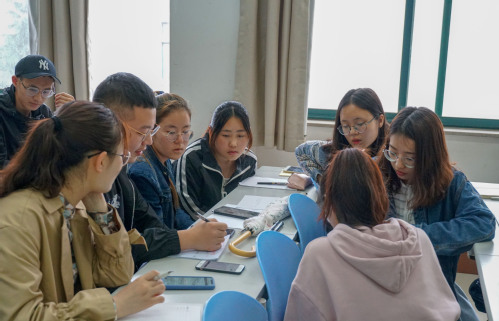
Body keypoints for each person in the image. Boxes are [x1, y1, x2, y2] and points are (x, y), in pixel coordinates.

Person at [0, 101, 165, 320]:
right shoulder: (18, 220)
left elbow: (117, 274)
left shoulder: (75, 205)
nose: (121, 165)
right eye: (121, 157)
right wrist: (114, 305)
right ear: (100, 162)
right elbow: (22, 316)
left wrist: (100, 210)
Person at [284, 148, 460, 321]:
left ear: (330, 199)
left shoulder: (320, 253)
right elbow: (446, 307)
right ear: (381, 195)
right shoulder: (417, 237)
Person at [93, 72, 227, 269]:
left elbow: (152, 224)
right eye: (143, 132)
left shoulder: (121, 172)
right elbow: (113, 253)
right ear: (110, 125)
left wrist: (194, 233)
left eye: (151, 132)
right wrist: (188, 238)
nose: (148, 141)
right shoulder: (133, 172)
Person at [378, 106, 496, 321]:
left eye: (410, 158)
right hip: (385, 287)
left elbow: (484, 224)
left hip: (433, 289)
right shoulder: (378, 177)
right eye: (392, 152)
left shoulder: (451, 182)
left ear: (430, 157)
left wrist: (418, 237)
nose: (398, 164)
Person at [292, 88, 387, 188]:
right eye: (345, 126)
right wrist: (323, 180)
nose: (352, 132)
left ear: (380, 120)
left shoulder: (391, 158)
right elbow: (301, 151)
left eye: (360, 124)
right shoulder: (334, 153)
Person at [176, 101, 257, 218]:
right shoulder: (191, 158)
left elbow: (248, 202)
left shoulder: (250, 161)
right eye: (225, 135)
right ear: (211, 132)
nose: (233, 144)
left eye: (240, 136)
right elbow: (189, 207)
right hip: (199, 228)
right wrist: (219, 227)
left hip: (237, 227)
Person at [129, 93, 195, 229]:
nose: (180, 140)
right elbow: (156, 232)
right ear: (152, 130)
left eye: (185, 131)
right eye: (171, 132)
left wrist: (197, 228)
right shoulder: (142, 173)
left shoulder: (164, 159)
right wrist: (193, 236)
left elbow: (175, 212)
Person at [0, 54, 74, 169]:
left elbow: (62, 153)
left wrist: (69, 117)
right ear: (15, 81)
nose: (39, 98)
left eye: (46, 91)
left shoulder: (43, 113)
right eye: (32, 89)